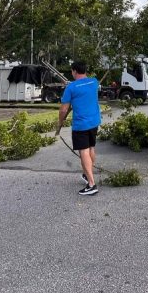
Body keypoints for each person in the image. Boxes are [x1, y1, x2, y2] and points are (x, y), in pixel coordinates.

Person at [59, 61, 102, 196]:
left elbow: (64, 109)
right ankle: (86, 174)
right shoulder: (94, 82)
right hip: (94, 121)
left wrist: (60, 121)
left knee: (83, 152)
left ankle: (91, 184)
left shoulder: (71, 88)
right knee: (91, 148)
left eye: (72, 71)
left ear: (74, 71)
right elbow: (85, 87)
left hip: (81, 124)